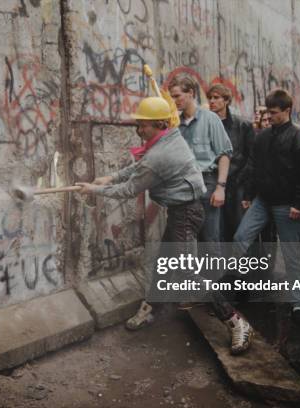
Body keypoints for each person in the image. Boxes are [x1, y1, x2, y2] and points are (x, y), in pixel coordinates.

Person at [76, 97, 253, 355]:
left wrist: (94, 189)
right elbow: (140, 166)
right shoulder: (172, 136)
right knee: (163, 264)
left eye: (144, 126)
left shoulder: (160, 154)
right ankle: (150, 308)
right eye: (138, 125)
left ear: (159, 124)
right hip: (184, 211)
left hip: (185, 214)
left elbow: (129, 188)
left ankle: (236, 322)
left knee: (187, 274)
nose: (139, 130)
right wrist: (110, 176)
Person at [233, 89, 300, 324]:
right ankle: (242, 285)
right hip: (263, 200)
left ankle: (298, 304)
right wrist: (249, 194)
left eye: (274, 112)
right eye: (268, 112)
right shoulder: (262, 137)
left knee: (291, 255)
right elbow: (253, 166)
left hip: (288, 204)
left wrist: (299, 203)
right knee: (241, 237)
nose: (269, 116)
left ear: (287, 111)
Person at [168, 74, 233, 279]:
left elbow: (224, 154)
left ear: (191, 93)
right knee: (181, 243)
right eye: (172, 97)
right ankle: (190, 293)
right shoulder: (174, 124)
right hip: (181, 187)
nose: (175, 101)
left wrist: (221, 187)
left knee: (209, 241)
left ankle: (215, 298)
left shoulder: (210, 119)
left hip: (207, 184)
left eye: (178, 96)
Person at [207, 84, 255, 243]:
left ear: (226, 100)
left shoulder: (243, 125)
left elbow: (251, 158)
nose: (212, 101)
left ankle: (242, 266)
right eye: (210, 98)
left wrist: (244, 186)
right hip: (213, 183)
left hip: (237, 184)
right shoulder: (205, 124)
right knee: (215, 230)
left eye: (216, 98)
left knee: (239, 229)